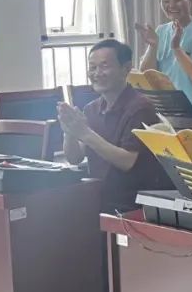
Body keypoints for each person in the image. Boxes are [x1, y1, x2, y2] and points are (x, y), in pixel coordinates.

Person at [57, 39, 164, 208]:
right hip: (97, 197)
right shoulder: (91, 109)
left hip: (131, 203)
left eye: (104, 66)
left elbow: (127, 161)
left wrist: (85, 133)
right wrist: (69, 131)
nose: (97, 73)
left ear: (126, 69)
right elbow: (75, 158)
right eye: (92, 67)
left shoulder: (141, 107)